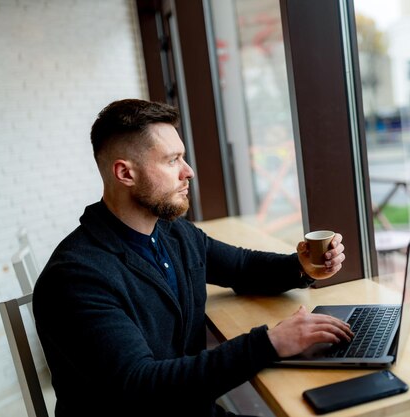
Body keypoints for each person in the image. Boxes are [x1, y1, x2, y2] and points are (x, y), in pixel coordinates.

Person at [32, 98, 353, 417]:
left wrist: (301, 267)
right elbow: (140, 386)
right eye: (172, 161)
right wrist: (270, 343)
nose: (189, 172)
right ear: (125, 173)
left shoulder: (172, 233)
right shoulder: (76, 277)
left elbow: (241, 267)